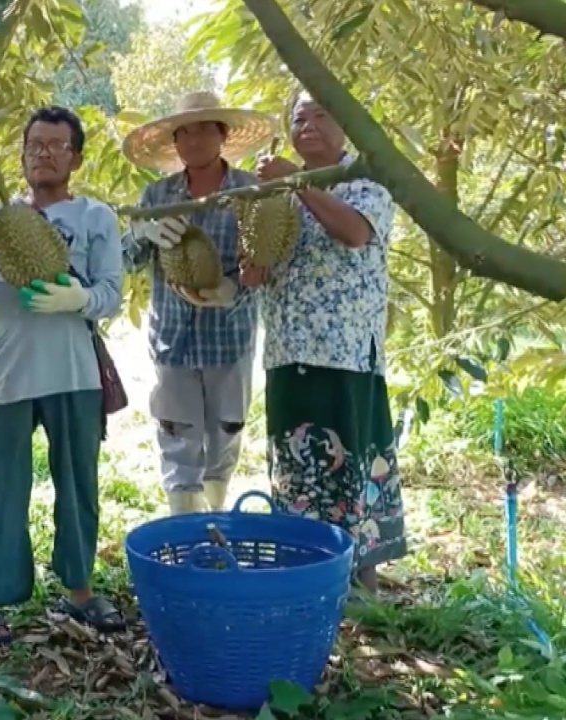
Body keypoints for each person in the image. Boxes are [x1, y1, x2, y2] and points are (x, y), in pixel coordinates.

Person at [0, 106, 125, 645]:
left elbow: (111, 296)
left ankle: (79, 589)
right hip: (10, 369)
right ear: (22, 153)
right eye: (34, 145)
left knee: (78, 484)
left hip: (75, 371)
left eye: (55, 145)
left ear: (75, 156)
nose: (43, 153)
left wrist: (79, 299)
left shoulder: (97, 217)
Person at [249, 92, 406, 592]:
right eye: (299, 117)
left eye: (321, 114)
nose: (308, 124)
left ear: (345, 126)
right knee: (297, 466)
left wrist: (294, 183)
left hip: (345, 353)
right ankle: (307, 569)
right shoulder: (276, 197)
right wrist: (252, 254)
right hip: (287, 349)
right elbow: (258, 267)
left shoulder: (369, 179)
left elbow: (354, 233)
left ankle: (363, 576)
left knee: (351, 458)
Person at [120, 91, 275, 515]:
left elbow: (268, 258)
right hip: (172, 336)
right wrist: (141, 232)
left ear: (222, 135)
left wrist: (233, 288)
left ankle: (217, 517)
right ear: (176, 142)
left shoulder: (251, 192)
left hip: (231, 333)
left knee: (226, 431)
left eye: (205, 130)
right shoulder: (157, 196)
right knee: (176, 433)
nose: (194, 140)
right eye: (184, 133)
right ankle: (186, 525)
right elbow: (124, 258)